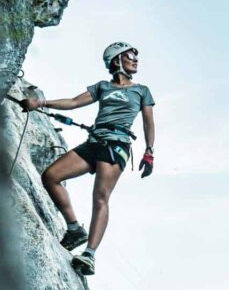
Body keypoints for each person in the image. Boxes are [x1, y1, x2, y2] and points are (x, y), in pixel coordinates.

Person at [19, 41, 156, 276]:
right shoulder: (103, 87)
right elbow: (73, 102)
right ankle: (74, 229)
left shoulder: (141, 90)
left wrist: (149, 151)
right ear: (117, 61)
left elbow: (148, 122)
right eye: (130, 55)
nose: (135, 59)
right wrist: (40, 103)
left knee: (100, 197)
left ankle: (89, 255)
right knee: (51, 176)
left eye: (135, 56)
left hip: (116, 145)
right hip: (94, 142)